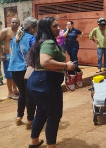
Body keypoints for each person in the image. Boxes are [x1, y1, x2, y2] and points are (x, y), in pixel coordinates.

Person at [26, 17, 75, 148]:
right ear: (47, 28)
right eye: (55, 26)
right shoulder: (48, 43)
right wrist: (66, 65)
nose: (59, 28)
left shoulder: (41, 41)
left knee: (42, 112)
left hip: (37, 81)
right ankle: (51, 146)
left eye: (58, 25)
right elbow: (45, 62)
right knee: (54, 116)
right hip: (46, 83)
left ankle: (34, 142)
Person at [8, 17, 38, 129]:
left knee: (22, 94)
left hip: (14, 70)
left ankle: (19, 117)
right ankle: (30, 120)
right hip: (26, 70)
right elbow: (35, 55)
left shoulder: (15, 38)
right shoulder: (31, 38)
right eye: (36, 27)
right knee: (30, 95)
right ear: (32, 27)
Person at [0, 18, 20, 100]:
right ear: (10, 23)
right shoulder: (5, 31)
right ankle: (10, 92)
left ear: (19, 24)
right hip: (7, 55)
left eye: (16, 23)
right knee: (9, 75)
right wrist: (2, 54)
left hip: (17, 56)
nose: (14, 24)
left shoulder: (20, 31)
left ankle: (15, 90)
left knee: (16, 73)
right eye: (12, 22)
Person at [63, 21, 84, 91]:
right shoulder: (66, 30)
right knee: (71, 56)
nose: (67, 25)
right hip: (68, 46)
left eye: (69, 24)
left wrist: (78, 39)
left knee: (74, 56)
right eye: (67, 24)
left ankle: (76, 69)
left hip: (74, 45)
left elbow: (82, 33)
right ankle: (72, 68)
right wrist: (68, 29)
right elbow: (64, 35)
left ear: (72, 24)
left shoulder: (76, 30)